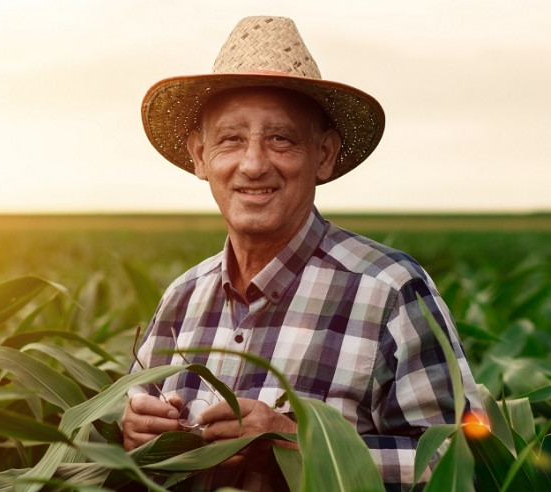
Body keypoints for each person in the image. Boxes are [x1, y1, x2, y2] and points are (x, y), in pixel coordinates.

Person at [122, 16, 482, 491]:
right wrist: (130, 432)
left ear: (324, 156)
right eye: (231, 139)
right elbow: (125, 433)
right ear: (200, 157)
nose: (253, 164)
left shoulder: (390, 290)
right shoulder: (181, 298)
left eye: (281, 139)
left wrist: (299, 442)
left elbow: (463, 459)